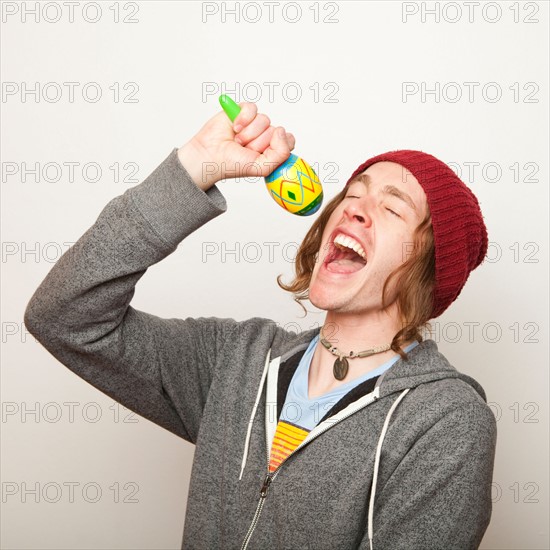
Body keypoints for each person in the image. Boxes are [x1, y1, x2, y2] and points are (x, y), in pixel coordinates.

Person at [24, 101, 497, 550]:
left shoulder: (445, 422)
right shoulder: (237, 359)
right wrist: (193, 169)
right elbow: (65, 317)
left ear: (432, 267)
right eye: (352, 194)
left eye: (392, 208)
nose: (352, 208)